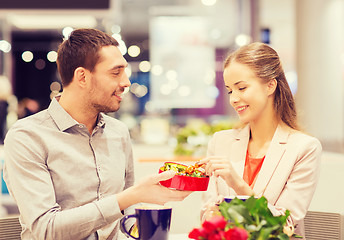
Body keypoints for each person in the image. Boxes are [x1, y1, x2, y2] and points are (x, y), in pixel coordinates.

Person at [3, 28, 190, 240]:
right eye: (115, 72)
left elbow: (126, 210)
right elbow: (47, 230)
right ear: (82, 77)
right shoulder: (27, 137)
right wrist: (129, 197)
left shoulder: (118, 132)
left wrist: (145, 226)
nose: (126, 82)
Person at [200, 42, 322, 238]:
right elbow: (207, 216)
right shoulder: (220, 142)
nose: (233, 99)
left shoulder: (304, 148)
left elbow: (285, 225)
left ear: (270, 85)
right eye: (230, 90)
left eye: (242, 88)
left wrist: (238, 185)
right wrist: (210, 212)